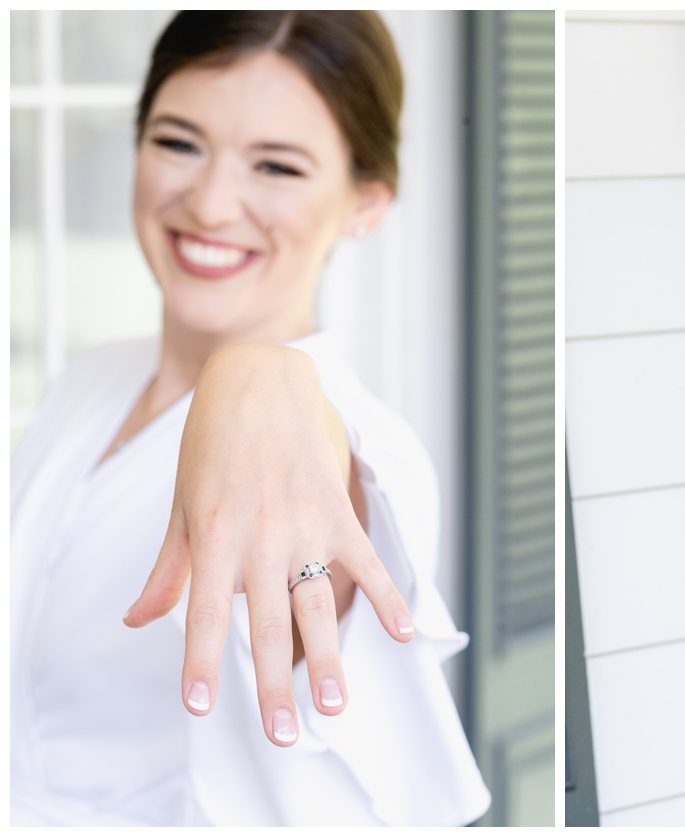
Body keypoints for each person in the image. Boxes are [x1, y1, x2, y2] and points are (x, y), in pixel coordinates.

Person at [11, 12, 489, 825]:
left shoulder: (369, 461)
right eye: (176, 142)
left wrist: (261, 373)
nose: (208, 201)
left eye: (276, 164)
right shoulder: (89, 382)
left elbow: (304, 466)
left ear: (365, 202)